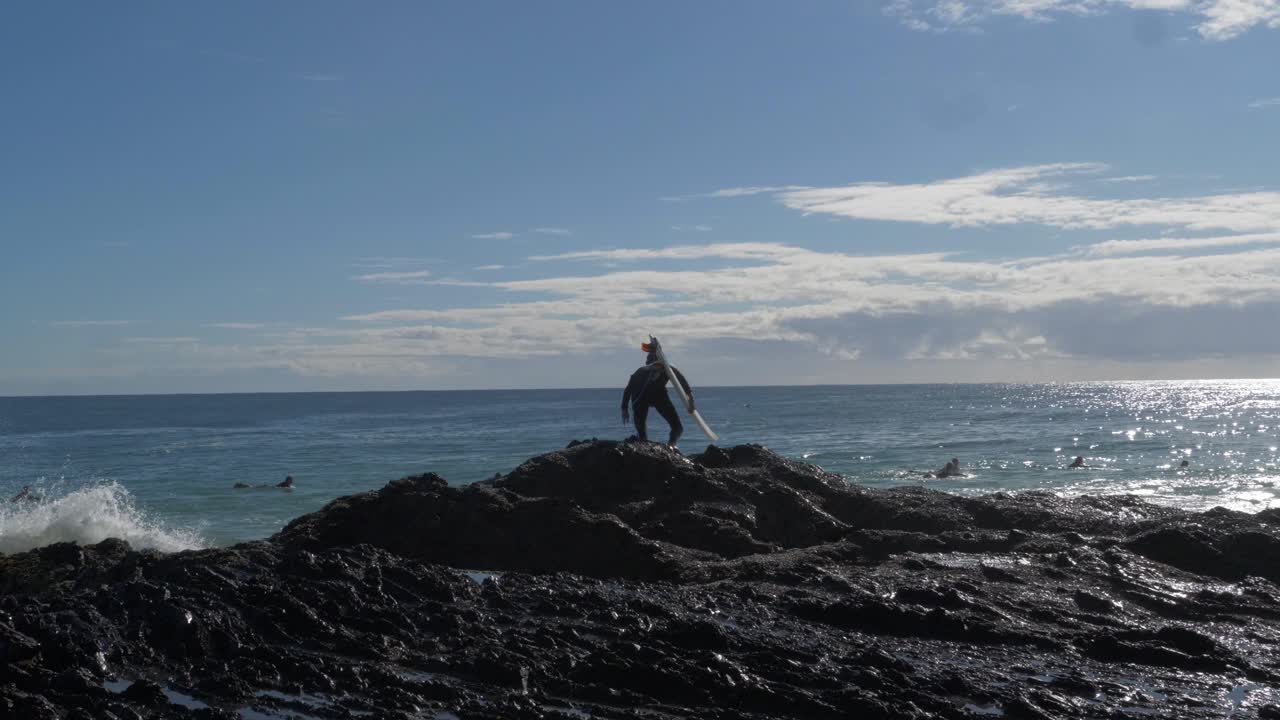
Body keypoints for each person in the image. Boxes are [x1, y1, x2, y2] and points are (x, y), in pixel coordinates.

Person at [622, 341, 694, 446]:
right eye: (650, 363)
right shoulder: (641, 372)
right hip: (640, 399)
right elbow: (628, 390)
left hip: (659, 396)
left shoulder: (668, 369)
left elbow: (682, 382)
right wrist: (624, 408)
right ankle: (642, 445)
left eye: (657, 364)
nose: (655, 367)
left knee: (678, 428)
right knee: (642, 436)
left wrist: (691, 400)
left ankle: (671, 446)